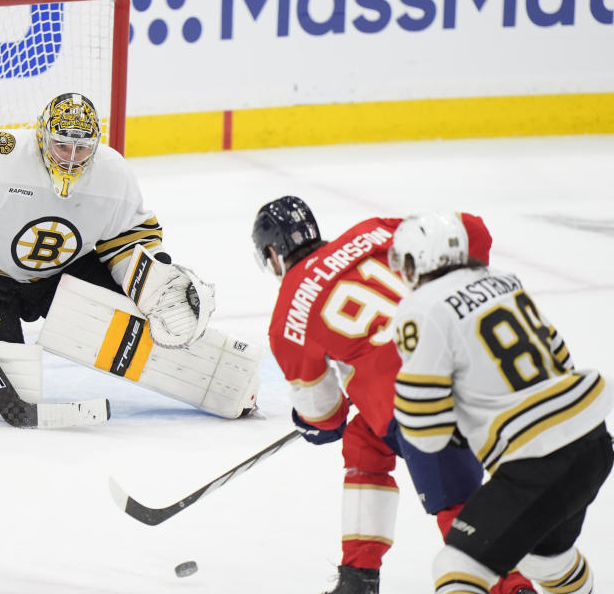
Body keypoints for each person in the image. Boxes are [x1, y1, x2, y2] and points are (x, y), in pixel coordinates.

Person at [0, 93, 260, 420]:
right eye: (61, 147)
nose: (72, 159)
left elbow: (130, 238)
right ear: (42, 136)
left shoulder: (113, 175)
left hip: (60, 277)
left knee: (144, 314)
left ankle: (218, 380)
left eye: (82, 149)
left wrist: (152, 284)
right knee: (7, 372)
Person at [251, 196, 534, 594]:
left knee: (457, 506)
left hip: (420, 402)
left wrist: (310, 423)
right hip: (484, 361)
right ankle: (358, 577)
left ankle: (512, 585)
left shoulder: (288, 317)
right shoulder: (374, 230)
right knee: (365, 441)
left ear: (272, 254)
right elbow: (473, 233)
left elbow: (325, 418)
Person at [388, 212, 613, 594]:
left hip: (538, 458)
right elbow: (559, 356)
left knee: (455, 565)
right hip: (593, 441)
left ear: (417, 261)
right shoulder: (504, 281)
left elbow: (425, 429)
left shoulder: (421, 308)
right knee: (545, 561)